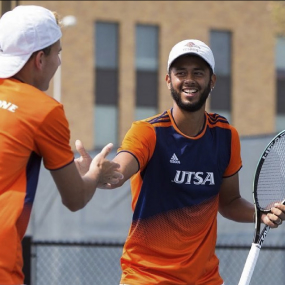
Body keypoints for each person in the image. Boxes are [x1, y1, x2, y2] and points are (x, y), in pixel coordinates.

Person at [96, 39, 285, 285]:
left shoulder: (226, 136)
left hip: (205, 279)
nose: (189, 79)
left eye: (198, 72)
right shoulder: (147, 132)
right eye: (181, 72)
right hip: (146, 277)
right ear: (168, 80)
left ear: (212, 80)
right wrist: (100, 174)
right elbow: (120, 169)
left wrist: (260, 214)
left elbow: (228, 202)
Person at [0, 5, 122, 284]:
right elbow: (75, 198)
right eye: (58, 52)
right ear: (40, 59)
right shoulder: (44, 110)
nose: (59, 62)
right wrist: (94, 173)